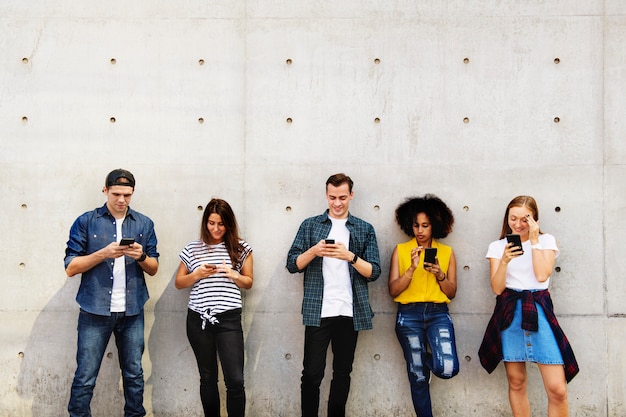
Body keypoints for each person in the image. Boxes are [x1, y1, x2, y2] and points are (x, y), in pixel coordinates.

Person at [64, 169, 159, 417]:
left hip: (132, 312)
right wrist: (103, 254)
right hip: (94, 311)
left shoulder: (144, 224)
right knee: (85, 375)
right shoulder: (86, 221)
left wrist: (141, 256)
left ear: (133, 193)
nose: (121, 200)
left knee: (134, 375)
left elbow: (154, 268)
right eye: (116, 194)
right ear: (105, 190)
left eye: (127, 195)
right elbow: (71, 268)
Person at [286, 173, 381, 417]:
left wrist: (350, 256)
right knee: (311, 374)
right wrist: (314, 251)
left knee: (342, 373)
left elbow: (374, 272)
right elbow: (292, 264)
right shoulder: (310, 225)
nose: (337, 203)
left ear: (351, 195)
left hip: (350, 312)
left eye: (342, 197)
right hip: (319, 311)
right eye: (332, 197)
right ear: (326, 195)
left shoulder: (364, 228)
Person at [478, 195, 578, 417]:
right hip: (509, 311)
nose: (518, 224)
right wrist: (504, 261)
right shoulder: (497, 246)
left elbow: (542, 275)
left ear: (535, 219)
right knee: (516, 382)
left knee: (557, 389)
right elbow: (496, 288)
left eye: (525, 219)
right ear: (507, 218)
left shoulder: (547, 241)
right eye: (513, 218)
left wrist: (534, 241)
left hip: (539, 310)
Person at [175, 198, 253, 417]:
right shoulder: (193, 248)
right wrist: (197, 274)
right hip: (198, 319)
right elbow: (179, 283)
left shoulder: (241, 248)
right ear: (205, 222)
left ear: (229, 223)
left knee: (235, 379)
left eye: (221, 224)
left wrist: (233, 274)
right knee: (207, 377)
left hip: (228, 320)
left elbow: (249, 282)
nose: (216, 228)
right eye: (211, 223)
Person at [388, 195, 460, 417]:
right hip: (408, 316)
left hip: (438, 314)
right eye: (416, 225)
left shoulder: (447, 253)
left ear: (435, 225)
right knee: (417, 377)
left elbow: (452, 292)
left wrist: (440, 274)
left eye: (425, 226)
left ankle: (426, 363)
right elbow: (393, 291)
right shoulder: (400, 250)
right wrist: (411, 268)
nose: (420, 230)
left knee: (447, 369)